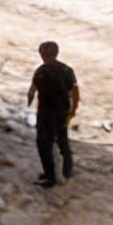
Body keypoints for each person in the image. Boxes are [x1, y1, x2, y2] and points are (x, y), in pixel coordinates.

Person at [28, 40, 78, 188]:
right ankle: (59, 172)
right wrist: (72, 110)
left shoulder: (43, 71)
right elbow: (74, 91)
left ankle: (55, 174)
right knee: (55, 142)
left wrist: (29, 101)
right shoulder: (64, 70)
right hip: (53, 112)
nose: (44, 57)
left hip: (52, 113)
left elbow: (32, 89)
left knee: (50, 143)